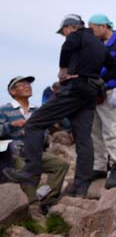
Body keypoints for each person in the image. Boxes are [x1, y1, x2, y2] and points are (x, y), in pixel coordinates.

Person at [4, 14, 106, 198]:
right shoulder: (99, 43)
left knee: (34, 124)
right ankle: (81, 186)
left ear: (70, 27)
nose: (64, 35)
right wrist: (94, 78)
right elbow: (113, 66)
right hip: (91, 93)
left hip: (75, 88)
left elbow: (67, 46)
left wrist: (63, 69)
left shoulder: (77, 34)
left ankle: (31, 172)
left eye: (64, 31)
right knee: (84, 139)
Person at [0, 76, 69, 215]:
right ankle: (33, 205)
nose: (28, 86)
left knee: (61, 165)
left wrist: (39, 134)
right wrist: (11, 125)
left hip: (35, 151)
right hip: (13, 152)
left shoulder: (38, 110)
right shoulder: (4, 110)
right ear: (12, 91)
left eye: (29, 84)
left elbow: (48, 131)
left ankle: (46, 201)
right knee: (25, 167)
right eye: (22, 84)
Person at [87, 13, 116, 189]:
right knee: (95, 129)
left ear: (103, 26)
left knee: (111, 128)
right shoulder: (94, 44)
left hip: (111, 90)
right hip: (95, 91)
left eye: (93, 28)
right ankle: (99, 166)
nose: (91, 32)